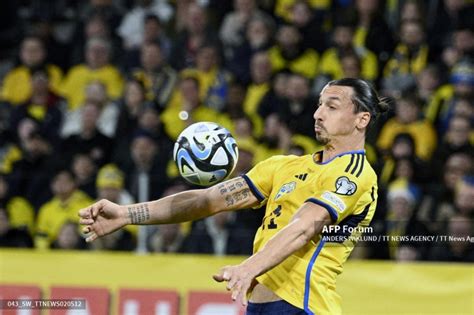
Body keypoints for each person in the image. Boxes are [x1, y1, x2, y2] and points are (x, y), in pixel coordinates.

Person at [78, 78, 388, 314]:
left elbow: (305, 226)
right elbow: (206, 200)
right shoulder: (283, 166)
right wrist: (127, 214)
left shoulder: (355, 174)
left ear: (361, 119)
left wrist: (249, 268)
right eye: (319, 104)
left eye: (332, 106)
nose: (318, 113)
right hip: (258, 305)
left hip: (304, 306)